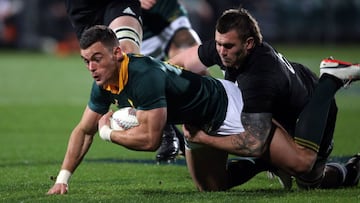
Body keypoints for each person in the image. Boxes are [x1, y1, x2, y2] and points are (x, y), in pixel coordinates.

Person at [47, 25, 360, 194]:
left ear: (117, 53)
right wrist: (63, 178)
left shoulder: (143, 77)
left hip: (226, 108)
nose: (90, 67)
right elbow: (81, 129)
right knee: (212, 187)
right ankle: (263, 162)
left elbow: (151, 140)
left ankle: (330, 81)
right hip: (196, 122)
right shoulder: (104, 82)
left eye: (96, 58)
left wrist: (109, 133)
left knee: (304, 167)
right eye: (86, 60)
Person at [168, 8, 360, 190]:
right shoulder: (226, 49)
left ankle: (329, 81)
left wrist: (202, 138)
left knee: (307, 175)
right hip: (278, 105)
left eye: (227, 46)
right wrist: (155, 78)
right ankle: (266, 163)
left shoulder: (259, 76)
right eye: (218, 43)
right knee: (218, 181)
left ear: (249, 43)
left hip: (309, 107)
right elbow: (181, 61)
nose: (221, 51)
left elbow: (254, 143)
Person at [139, 0, 201, 163]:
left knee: (197, 68)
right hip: (132, 20)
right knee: (139, 84)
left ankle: (221, 127)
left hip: (166, 10)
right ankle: (172, 135)